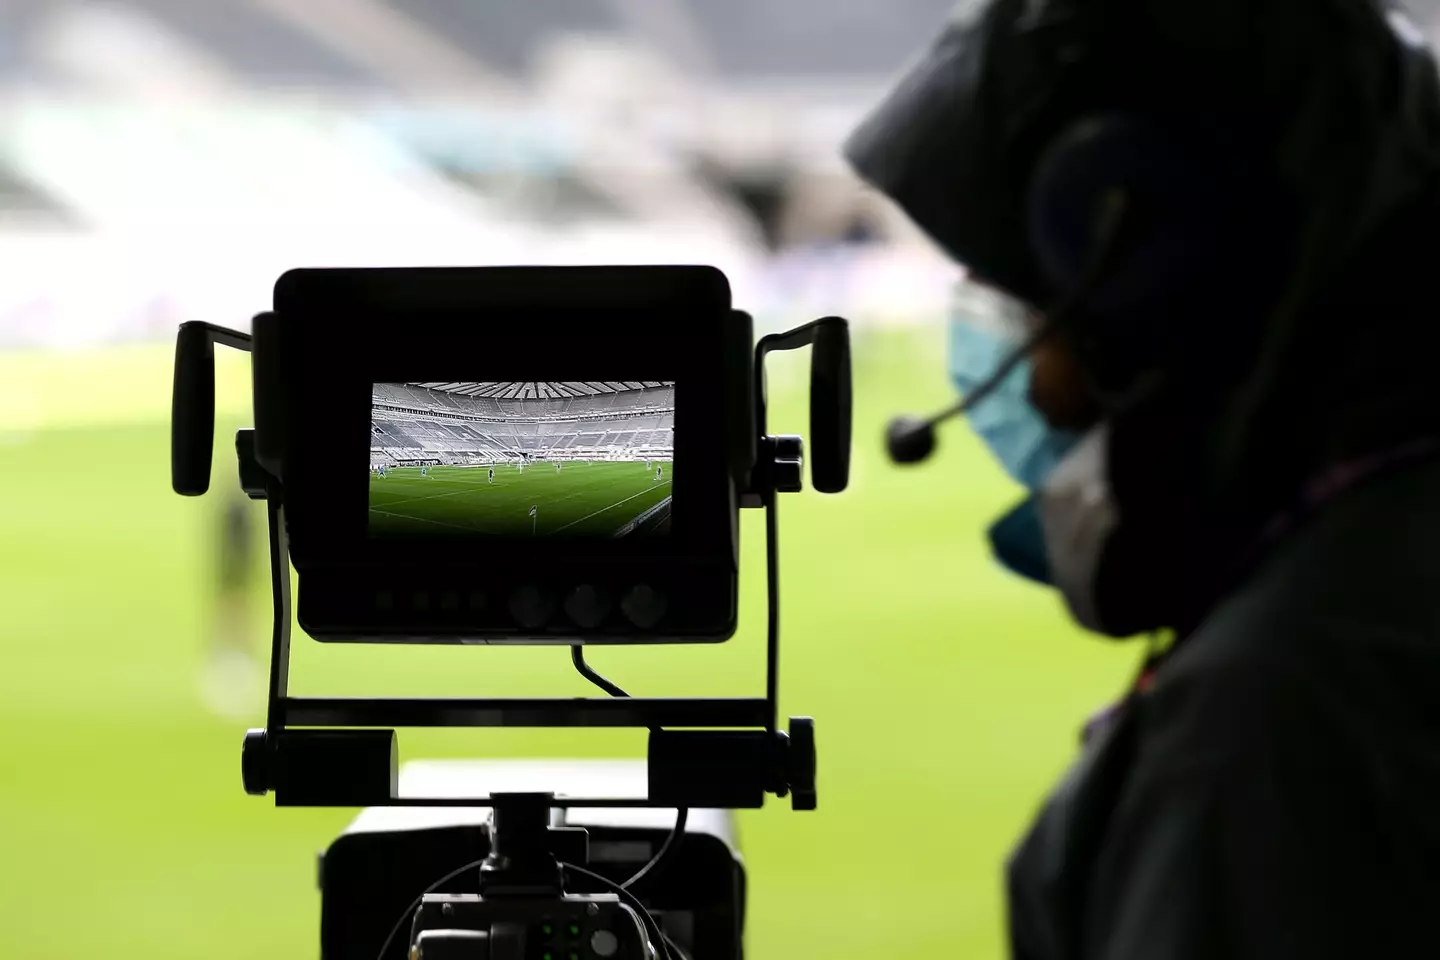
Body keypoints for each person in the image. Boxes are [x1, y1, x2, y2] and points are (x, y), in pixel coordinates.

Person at [847, 2, 1440, 957]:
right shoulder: (1381, 563)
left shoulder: (1277, 716)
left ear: (1133, 244)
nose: (1016, 359)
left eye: (1017, 288)